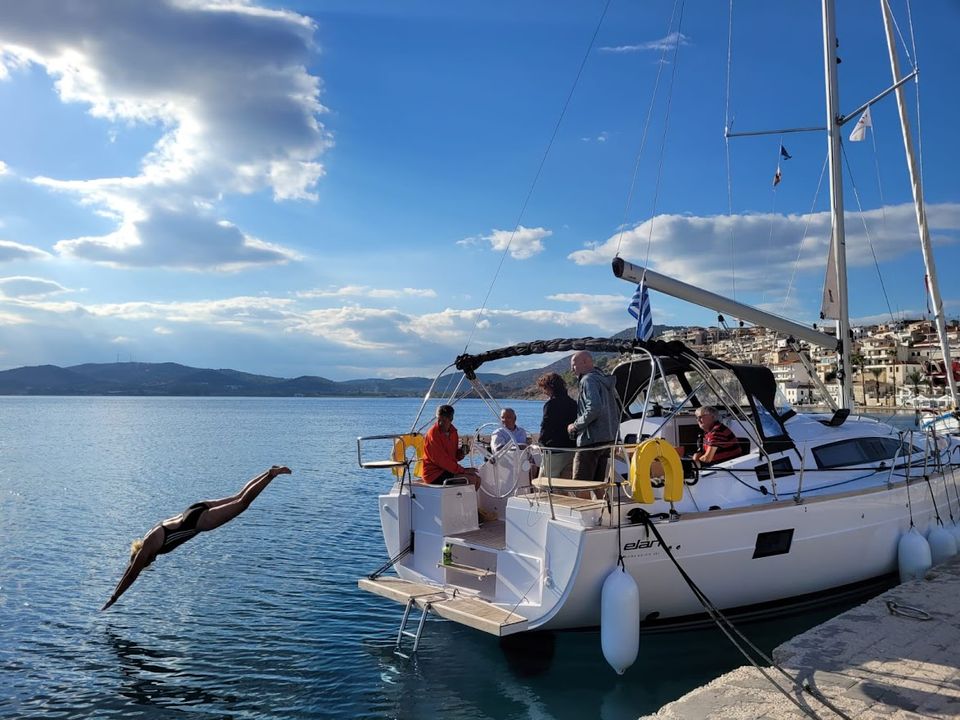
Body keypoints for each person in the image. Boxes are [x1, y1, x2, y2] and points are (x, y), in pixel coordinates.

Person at [101, 465, 292, 610]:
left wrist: (114, 597)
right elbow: (129, 569)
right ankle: (269, 471)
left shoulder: (147, 548)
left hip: (196, 521)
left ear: (141, 558)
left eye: (147, 562)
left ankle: (271, 475)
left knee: (242, 503)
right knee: (238, 496)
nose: (153, 560)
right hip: (193, 509)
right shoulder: (148, 536)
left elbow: (132, 573)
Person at [567, 351, 620, 487]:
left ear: (585, 362)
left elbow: (594, 407)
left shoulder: (588, 380)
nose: (572, 369)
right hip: (607, 439)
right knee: (597, 485)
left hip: (590, 441)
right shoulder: (604, 381)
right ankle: (603, 508)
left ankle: (582, 508)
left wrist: (575, 425)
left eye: (573, 365)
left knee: (579, 486)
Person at [422, 404, 481, 489]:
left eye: (444, 419)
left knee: (478, 478)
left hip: (447, 470)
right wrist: (463, 470)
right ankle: (465, 502)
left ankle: (469, 502)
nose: (440, 422)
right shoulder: (433, 434)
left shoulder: (453, 432)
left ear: (451, 419)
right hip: (433, 474)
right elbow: (441, 461)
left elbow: (453, 457)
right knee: (471, 479)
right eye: (439, 419)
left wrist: (461, 453)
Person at [536, 372, 578, 479]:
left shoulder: (550, 405)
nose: (544, 392)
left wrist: (541, 443)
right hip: (571, 448)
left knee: (545, 483)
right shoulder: (573, 403)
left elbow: (546, 426)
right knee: (565, 482)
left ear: (550, 388)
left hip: (554, 450)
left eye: (544, 388)